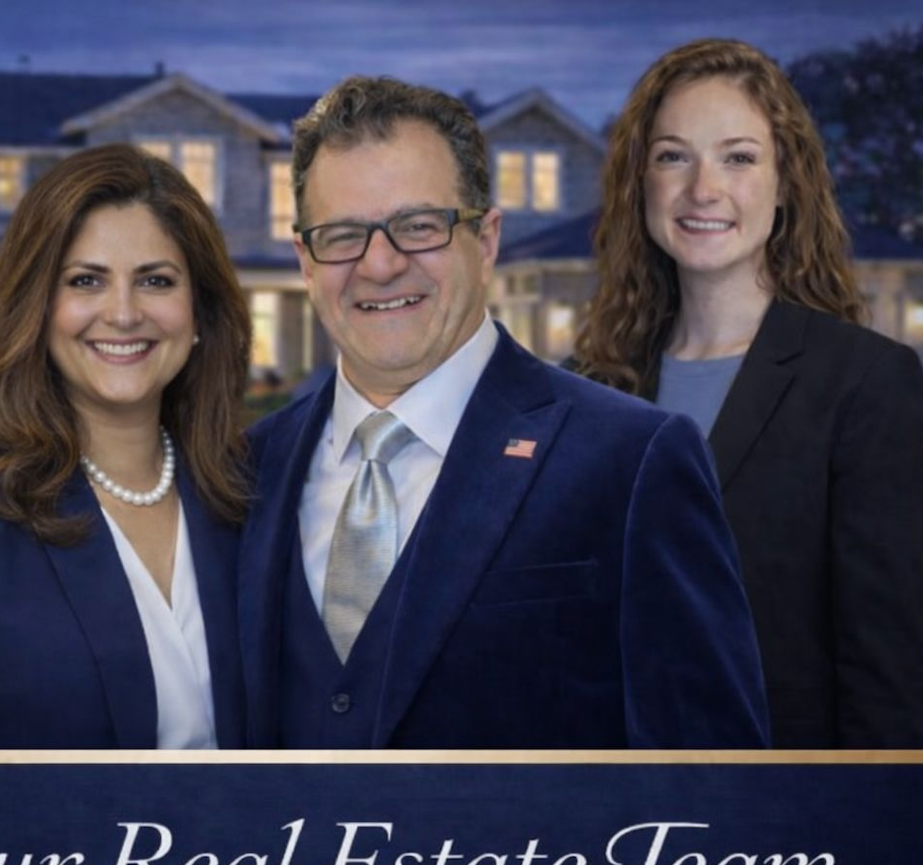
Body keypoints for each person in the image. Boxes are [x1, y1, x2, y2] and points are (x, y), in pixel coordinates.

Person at [240, 76, 770, 749]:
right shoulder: (246, 471)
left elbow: (714, 779)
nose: (379, 265)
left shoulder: (633, 460)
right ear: (305, 261)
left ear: (486, 239)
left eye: (419, 227)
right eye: (343, 235)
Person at [574, 40, 923, 747]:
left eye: (738, 157)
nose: (703, 189)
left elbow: (881, 670)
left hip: (781, 816)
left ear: (785, 180)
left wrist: (874, 834)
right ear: (638, 179)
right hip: (613, 815)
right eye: (673, 155)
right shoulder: (591, 385)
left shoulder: (863, 382)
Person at [0, 144, 251, 749]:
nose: (122, 313)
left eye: (156, 281)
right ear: (35, 306)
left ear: (199, 313)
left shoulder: (247, 495)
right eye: (85, 281)